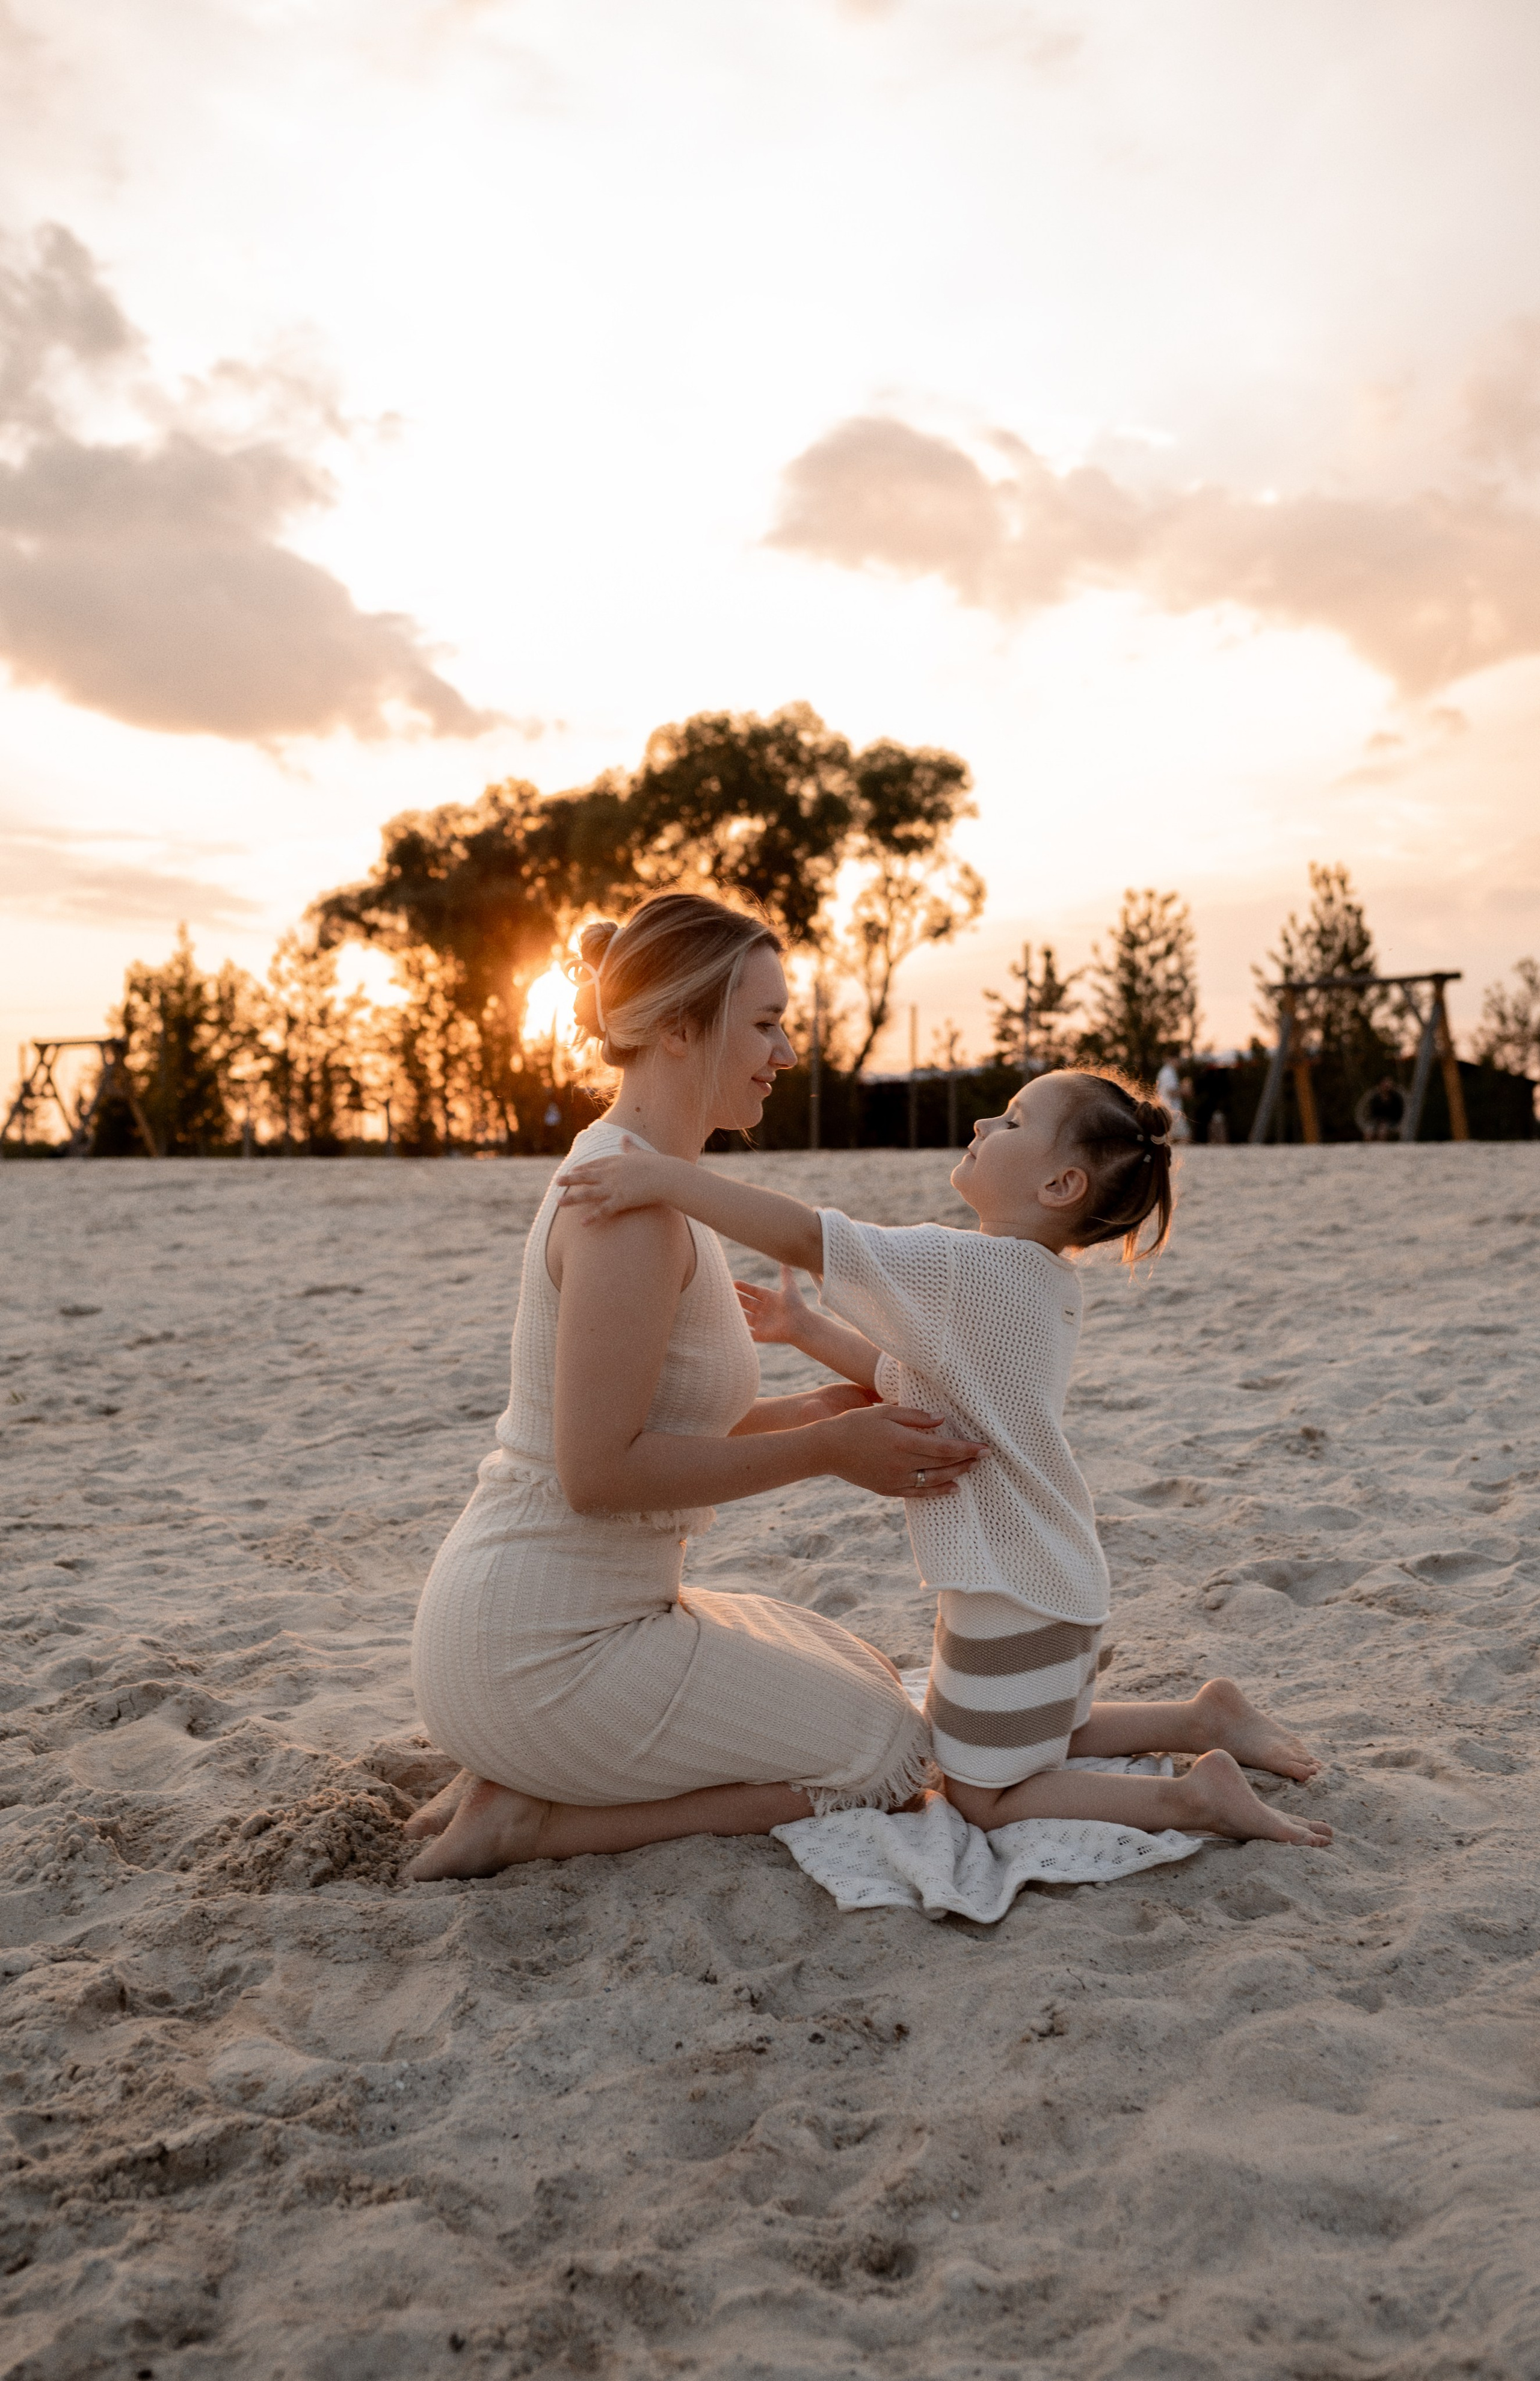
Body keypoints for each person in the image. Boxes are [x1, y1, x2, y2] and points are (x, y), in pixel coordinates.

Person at [558, 1070, 1331, 1850]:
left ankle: (1193, 1797)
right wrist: (804, 1329)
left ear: (1061, 1183)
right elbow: (907, 1376)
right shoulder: (1037, 1283)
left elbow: (805, 1235)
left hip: (1011, 1587)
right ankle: (1203, 1718)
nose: (986, 1121)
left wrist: (667, 1177)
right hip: (1053, 1575)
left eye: (1015, 1121)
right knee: (1042, 1729)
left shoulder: (970, 1269)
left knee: (978, 1792)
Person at [405, 893, 984, 1882]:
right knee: (887, 1753)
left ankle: (526, 1778)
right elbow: (597, 1472)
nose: (788, 1050)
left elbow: (671, 1423)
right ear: (679, 1026)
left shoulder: (653, 1182)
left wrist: (828, 1411)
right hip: (540, 1648)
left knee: (876, 1675)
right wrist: (824, 1451)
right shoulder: (627, 1208)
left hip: (577, 1613)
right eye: (765, 1022)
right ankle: (528, 1820)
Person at [1355, 1077, 1405, 1142]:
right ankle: (1369, 1149)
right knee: (1368, 1132)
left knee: (1382, 1132)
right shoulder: (1376, 1098)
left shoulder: (1396, 1098)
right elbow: (1373, 1113)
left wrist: (1387, 1120)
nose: (1387, 1086)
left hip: (1391, 1121)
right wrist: (1379, 1120)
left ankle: (1381, 1149)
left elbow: (1399, 1113)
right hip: (1377, 1120)